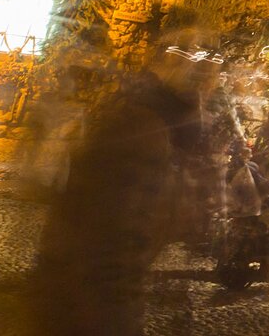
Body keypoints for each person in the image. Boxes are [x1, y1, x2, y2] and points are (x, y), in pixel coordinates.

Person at [27, 37, 216, 336]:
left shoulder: (139, 123)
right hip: (89, 303)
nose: (210, 83)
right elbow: (115, 240)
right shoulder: (144, 134)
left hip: (82, 294)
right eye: (201, 70)